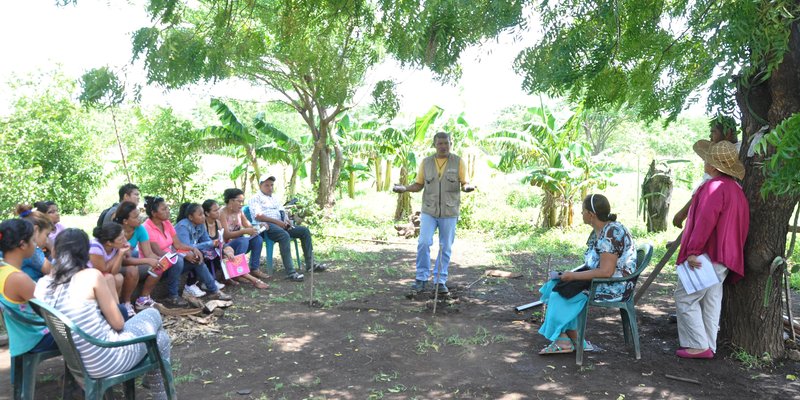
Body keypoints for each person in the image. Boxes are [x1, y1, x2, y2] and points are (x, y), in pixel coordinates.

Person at [35, 229, 172, 399]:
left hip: (77, 362)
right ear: (85, 253)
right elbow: (118, 324)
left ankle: (156, 387)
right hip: (108, 358)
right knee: (154, 319)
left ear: (55, 252)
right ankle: (161, 394)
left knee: (159, 338)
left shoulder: (42, 285)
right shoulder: (91, 276)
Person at [674, 140, 749, 359]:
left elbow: (706, 221)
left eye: (707, 159)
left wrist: (693, 250)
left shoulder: (714, 187)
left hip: (709, 254)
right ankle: (709, 344)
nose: (704, 162)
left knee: (685, 297)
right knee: (711, 300)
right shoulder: (736, 189)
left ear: (714, 166)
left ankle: (699, 345)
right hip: (726, 256)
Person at [536, 194, 637, 354]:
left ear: (591, 214)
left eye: (582, 211)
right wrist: (571, 274)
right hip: (601, 280)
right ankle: (570, 339)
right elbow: (594, 263)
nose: (580, 214)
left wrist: (574, 276)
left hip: (613, 286)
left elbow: (606, 272)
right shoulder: (601, 230)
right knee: (553, 286)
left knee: (559, 295)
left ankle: (568, 341)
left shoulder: (611, 233)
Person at [392, 131, 475, 293]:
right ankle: (421, 278)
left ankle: (440, 280)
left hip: (449, 212)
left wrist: (467, 188)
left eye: (446, 143)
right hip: (429, 211)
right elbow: (418, 185)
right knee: (423, 242)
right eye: (440, 143)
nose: (443, 146)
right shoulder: (426, 162)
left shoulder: (458, 162)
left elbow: (464, 183)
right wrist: (404, 188)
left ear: (451, 144)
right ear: (434, 144)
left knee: (445, 247)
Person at [0, 219, 58, 362]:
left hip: (22, 337)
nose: (36, 244)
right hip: (36, 338)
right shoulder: (19, 279)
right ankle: (82, 378)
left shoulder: (3, 269)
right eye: (32, 240)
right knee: (84, 329)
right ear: (22, 244)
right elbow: (48, 310)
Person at [248, 177, 326, 281]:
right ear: (260, 186)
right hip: (266, 226)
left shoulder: (274, 198)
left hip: (280, 224)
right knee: (284, 235)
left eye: (271, 185)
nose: (270, 188)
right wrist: (278, 222)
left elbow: (282, 211)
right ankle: (291, 273)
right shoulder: (255, 198)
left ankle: (311, 264)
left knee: (304, 231)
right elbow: (258, 216)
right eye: (267, 185)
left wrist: (287, 220)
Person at [672, 116, 740, 229]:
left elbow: (708, 187)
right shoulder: (727, 151)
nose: (710, 136)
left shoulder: (731, 153)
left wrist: (682, 213)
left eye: (713, 132)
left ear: (727, 133)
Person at [201, 199, 268, 290]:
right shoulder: (203, 225)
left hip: (218, 249)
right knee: (235, 247)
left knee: (232, 252)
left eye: (218, 209)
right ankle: (253, 280)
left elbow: (221, 241)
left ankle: (240, 274)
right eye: (215, 210)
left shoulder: (217, 223)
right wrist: (225, 249)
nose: (218, 212)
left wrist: (228, 249)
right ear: (207, 213)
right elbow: (207, 243)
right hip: (208, 251)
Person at [173, 202, 232, 301]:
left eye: (203, 214)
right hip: (178, 258)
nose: (203, 217)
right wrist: (210, 244)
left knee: (202, 257)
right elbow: (186, 247)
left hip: (191, 255)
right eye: (200, 215)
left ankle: (214, 289)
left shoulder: (200, 225)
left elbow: (206, 240)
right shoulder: (183, 226)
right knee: (198, 258)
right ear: (191, 217)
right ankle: (194, 286)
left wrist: (216, 243)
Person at [114, 201, 159, 312]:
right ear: (125, 221)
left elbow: (149, 253)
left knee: (159, 266)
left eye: (139, 215)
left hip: (127, 261)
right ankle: (126, 303)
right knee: (132, 270)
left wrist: (159, 259)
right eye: (136, 217)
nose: (140, 218)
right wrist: (148, 260)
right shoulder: (116, 232)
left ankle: (143, 299)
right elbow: (123, 261)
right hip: (113, 264)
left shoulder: (140, 229)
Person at [219, 189, 268, 280]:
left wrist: (259, 226)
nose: (241, 204)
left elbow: (249, 226)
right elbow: (226, 235)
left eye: (242, 202)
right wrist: (243, 231)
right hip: (226, 247)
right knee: (243, 240)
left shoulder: (239, 212)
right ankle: (237, 271)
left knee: (258, 239)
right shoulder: (222, 213)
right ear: (230, 201)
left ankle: (254, 268)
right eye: (239, 201)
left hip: (239, 244)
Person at [89, 223, 131, 313]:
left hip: (105, 275)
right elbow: (103, 270)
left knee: (118, 278)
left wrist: (121, 254)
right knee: (109, 278)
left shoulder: (116, 245)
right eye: (121, 239)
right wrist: (119, 254)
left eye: (124, 237)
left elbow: (114, 272)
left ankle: (116, 307)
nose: (125, 240)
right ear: (109, 243)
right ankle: (116, 311)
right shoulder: (95, 247)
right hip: (90, 276)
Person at [16, 205, 55, 282]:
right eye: (47, 235)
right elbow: (54, 272)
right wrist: (52, 248)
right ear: (36, 230)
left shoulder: (16, 244)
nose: (47, 240)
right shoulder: (32, 250)